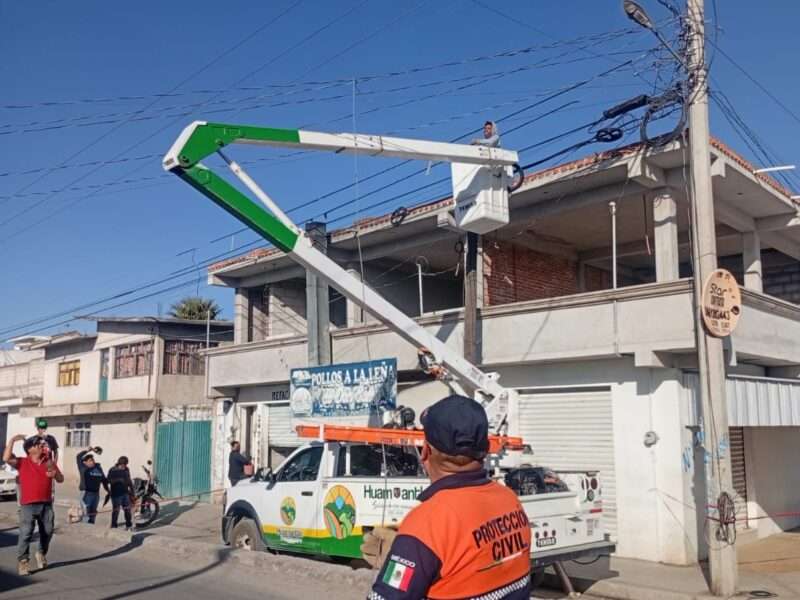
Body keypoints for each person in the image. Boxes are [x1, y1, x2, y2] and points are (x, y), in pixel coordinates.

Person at [363, 395, 532, 600]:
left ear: (425, 451)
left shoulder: (426, 524)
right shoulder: (509, 500)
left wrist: (403, 558)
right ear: (486, 449)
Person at [3, 433, 63, 576]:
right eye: (38, 444)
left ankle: (41, 553)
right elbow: (6, 458)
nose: (42, 445)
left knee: (48, 531)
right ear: (30, 449)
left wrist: (54, 474)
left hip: (46, 504)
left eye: (43, 444)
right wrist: (12, 440)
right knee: (26, 533)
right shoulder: (22, 462)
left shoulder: (48, 462)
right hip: (28, 505)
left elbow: (60, 479)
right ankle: (23, 561)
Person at [76, 446, 108, 524]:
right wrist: (88, 450)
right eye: (90, 460)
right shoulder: (83, 468)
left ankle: (91, 527)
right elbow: (78, 457)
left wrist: (108, 490)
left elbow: (104, 480)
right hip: (86, 493)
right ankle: (85, 529)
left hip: (96, 494)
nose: (92, 462)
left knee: (93, 513)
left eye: (93, 460)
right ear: (85, 462)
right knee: (86, 514)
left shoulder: (98, 468)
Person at [107, 456, 134, 530]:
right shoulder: (112, 470)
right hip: (116, 494)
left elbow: (129, 480)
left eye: (126, 465)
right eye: (123, 465)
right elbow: (108, 480)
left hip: (125, 493)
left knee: (127, 510)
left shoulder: (127, 469)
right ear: (119, 464)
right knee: (116, 511)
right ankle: (113, 526)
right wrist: (118, 480)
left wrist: (132, 491)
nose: (124, 466)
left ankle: (128, 525)